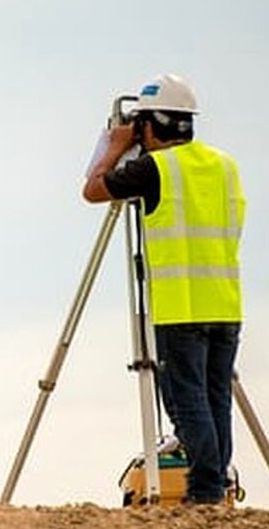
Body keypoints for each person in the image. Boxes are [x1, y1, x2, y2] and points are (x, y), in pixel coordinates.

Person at [82, 74, 247, 504]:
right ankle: (217, 486)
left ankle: (207, 490)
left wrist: (115, 147)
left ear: (151, 125)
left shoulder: (157, 169)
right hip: (225, 303)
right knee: (216, 401)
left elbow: (93, 190)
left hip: (180, 306)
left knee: (187, 402)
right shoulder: (224, 166)